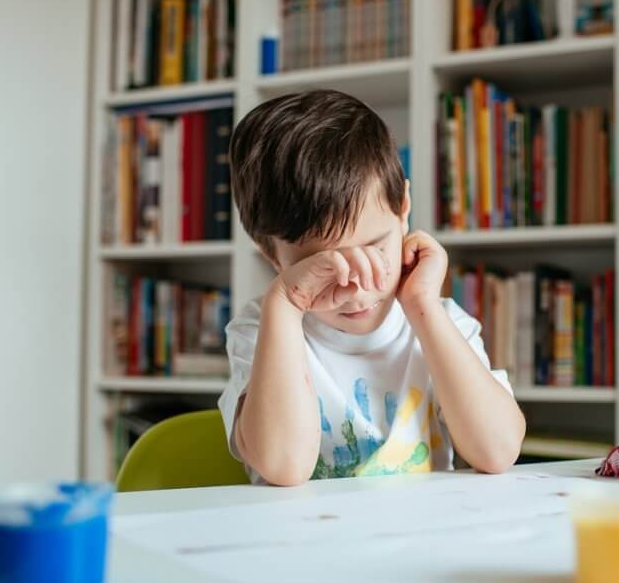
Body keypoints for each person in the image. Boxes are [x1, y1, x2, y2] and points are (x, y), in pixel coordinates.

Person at [218, 89, 525, 486]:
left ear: (403, 212)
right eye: (320, 266)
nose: (354, 286)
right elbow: (283, 467)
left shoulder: (441, 320)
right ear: (272, 255)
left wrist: (423, 310)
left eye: (374, 248)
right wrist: (286, 302)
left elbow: (498, 451)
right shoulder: (264, 330)